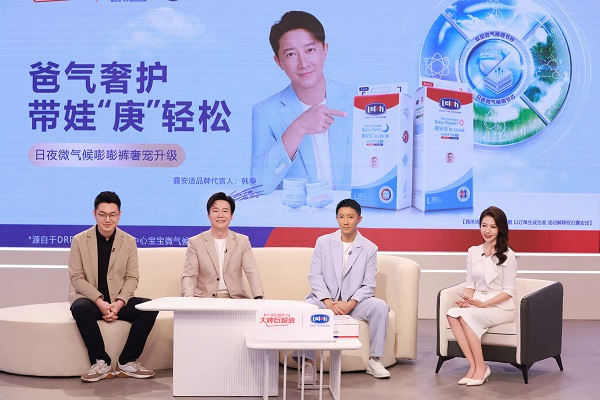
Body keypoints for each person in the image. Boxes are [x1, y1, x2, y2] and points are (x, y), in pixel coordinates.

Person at [251, 10, 354, 194]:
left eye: (310, 50)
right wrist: (298, 128)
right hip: (300, 213)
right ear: (278, 62)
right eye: (291, 54)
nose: (303, 63)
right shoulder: (265, 112)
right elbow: (259, 186)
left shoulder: (358, 100)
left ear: (325, 50)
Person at [69, 191, 158, 382]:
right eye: (102, 214)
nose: (107, 220)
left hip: (118, 301)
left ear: (119, 214)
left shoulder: (129, 241)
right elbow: (76, 277)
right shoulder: (79, 240)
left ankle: (127, 361)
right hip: (92, 301)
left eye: (112, 215)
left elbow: (132, 277)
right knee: (79, 307)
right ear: (94, 214)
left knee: (150, 308)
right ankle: (101, 362)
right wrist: (100, 301)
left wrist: (118, 303)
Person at [299, 198, 391, 383]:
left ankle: (374, 360)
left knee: (380, 307)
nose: (345, 221)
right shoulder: (323, 242)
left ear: (359, 219)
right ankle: (308, 364)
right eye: (341, 217)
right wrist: (328, 302)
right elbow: (315, 276)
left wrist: (350, 304)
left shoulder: (369, 248)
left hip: (355, 304)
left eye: (350, 217)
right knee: (308, 306)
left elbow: (368, 284)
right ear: (336, 218)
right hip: (326, 302)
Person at [446, 206, 518, 386]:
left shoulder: (509, 255)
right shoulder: (473, 251)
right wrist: (466, 301)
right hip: (478, 303)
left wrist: (483, 304)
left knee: (467, 319)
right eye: (484, 225)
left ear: (500, 228)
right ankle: (474, 366)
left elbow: (508, 292)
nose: (487, 231)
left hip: (501, 308)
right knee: (452, 314)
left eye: (493, 227)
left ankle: (481, 367)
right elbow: (470, 284)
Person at [181, 192, 264, 299]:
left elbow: (252, 272)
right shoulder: (195, 242)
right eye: (215, 211)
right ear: (208, 216)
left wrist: (259, 297)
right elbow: (189, 276)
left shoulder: (242, 241)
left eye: (225, 211)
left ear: (231, 216)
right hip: (205, 299)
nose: (220, 215)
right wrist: (189, 300)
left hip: (235, 299)